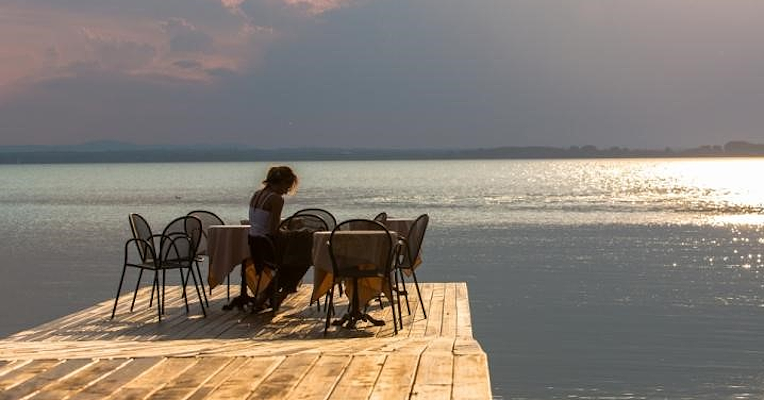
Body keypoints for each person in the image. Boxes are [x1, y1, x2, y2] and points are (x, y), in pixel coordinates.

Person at [246, 166, 299, 310]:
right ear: (280, 182)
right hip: (268, 247)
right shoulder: (276, 199)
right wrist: (291, 229)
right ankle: (274, 295)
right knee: (302, 257)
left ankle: (268, 295)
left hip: (255, 245)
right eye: (287, 187)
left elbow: (261, 224)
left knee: (297, 257)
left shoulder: (257, 194)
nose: (287, 191)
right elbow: (273, 230)